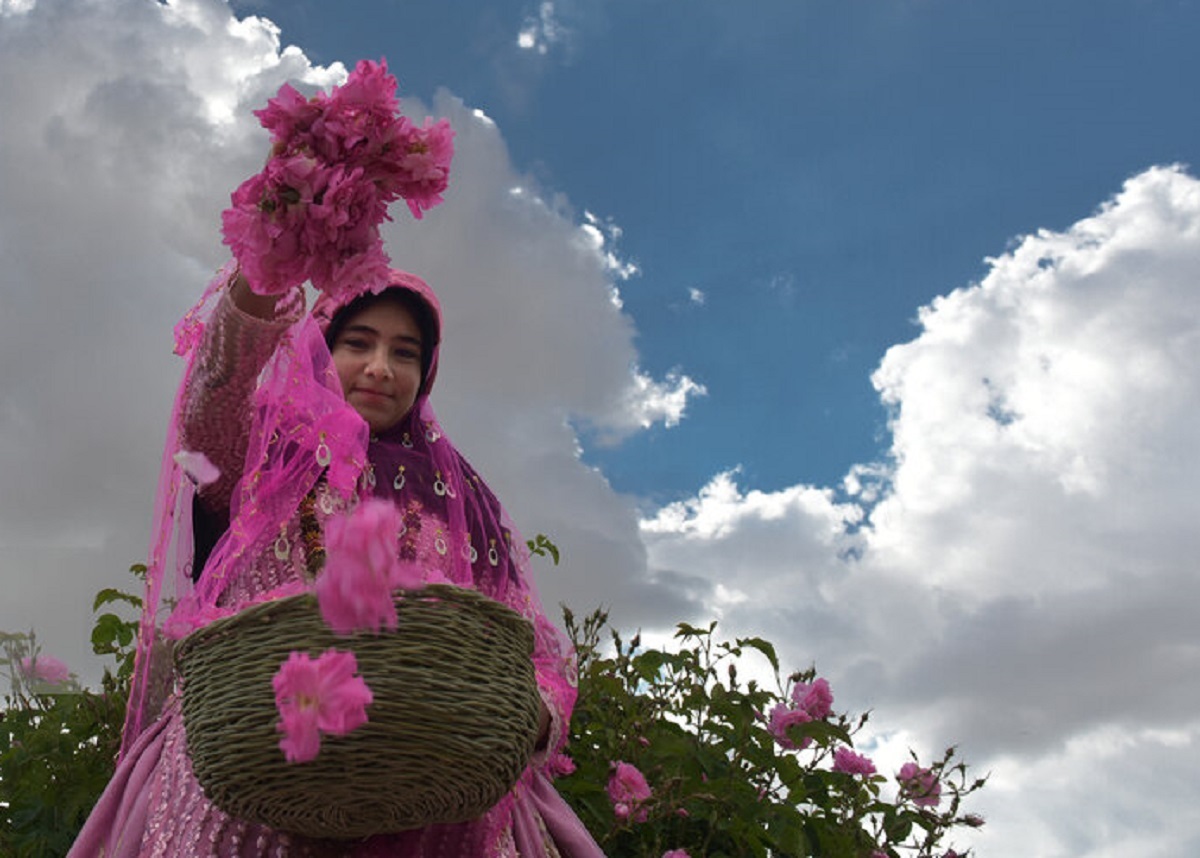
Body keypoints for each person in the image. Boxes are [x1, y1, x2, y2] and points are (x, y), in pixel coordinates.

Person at [69, 262, 605, 857]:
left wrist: (523, 715)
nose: (380, 368)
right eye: (358, 343)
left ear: (425, 372)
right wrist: (272, 253)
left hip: (431, 801)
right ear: (319, 348)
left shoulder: (461, 500)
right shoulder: (262, 455)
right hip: (250, 789)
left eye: (404, 353)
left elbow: (530, 648)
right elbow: (213, 403)